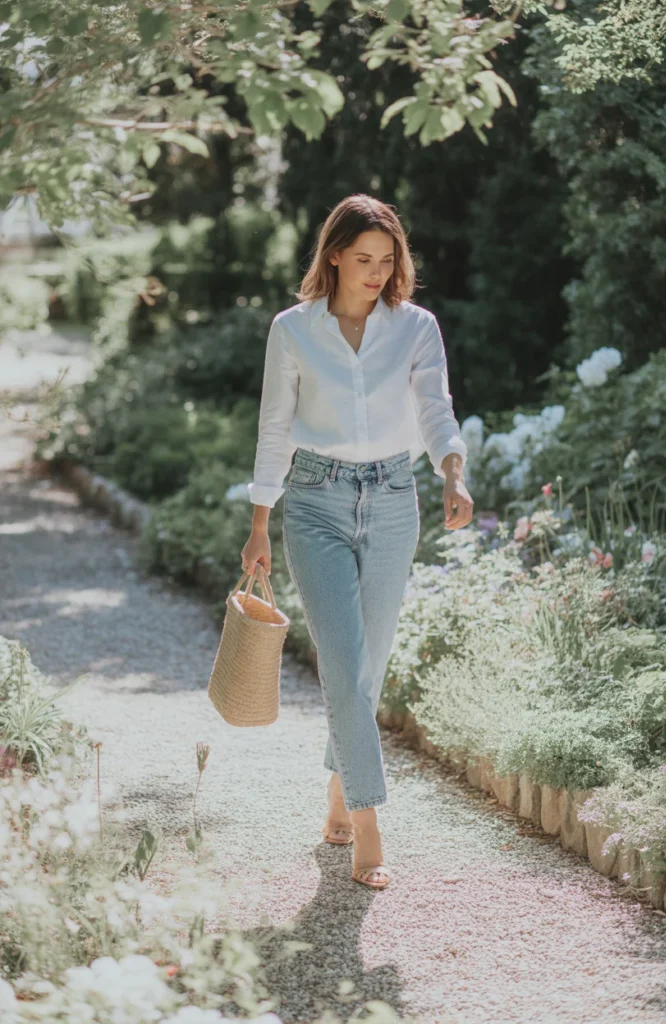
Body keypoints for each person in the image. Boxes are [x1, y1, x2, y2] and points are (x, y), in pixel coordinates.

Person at [241, 194, 474, 890]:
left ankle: (341, 785)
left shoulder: (415, 327)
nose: (377, 273)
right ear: (334, 254)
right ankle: (368, 824)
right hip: (313, 502)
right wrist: (260, 520)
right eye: (364, 259)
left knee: (368, 662)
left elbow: (435, 408)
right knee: (342, 662)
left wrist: (452, 474)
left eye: (388, 260)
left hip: (395, 499)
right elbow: (275, 426)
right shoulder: (293, 329)